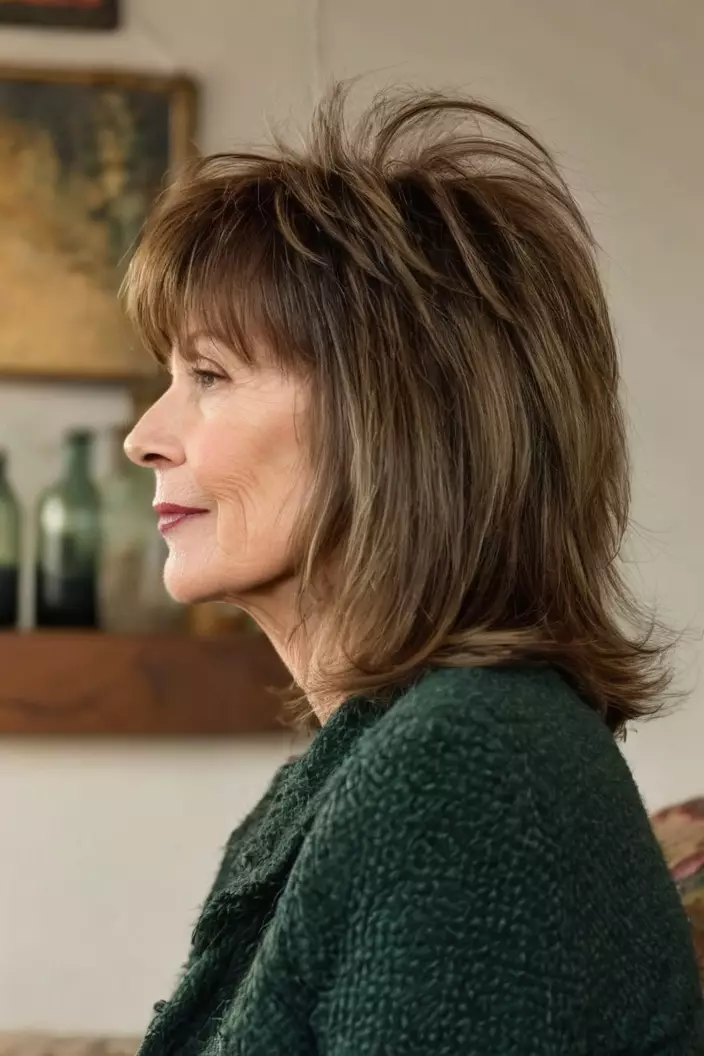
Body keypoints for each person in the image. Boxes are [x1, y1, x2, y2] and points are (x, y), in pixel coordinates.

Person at [123, 84, 703, 1054]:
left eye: (209, 377)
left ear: (390, 417)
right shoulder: (388, 750)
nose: (146, 437)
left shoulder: (470, 767)